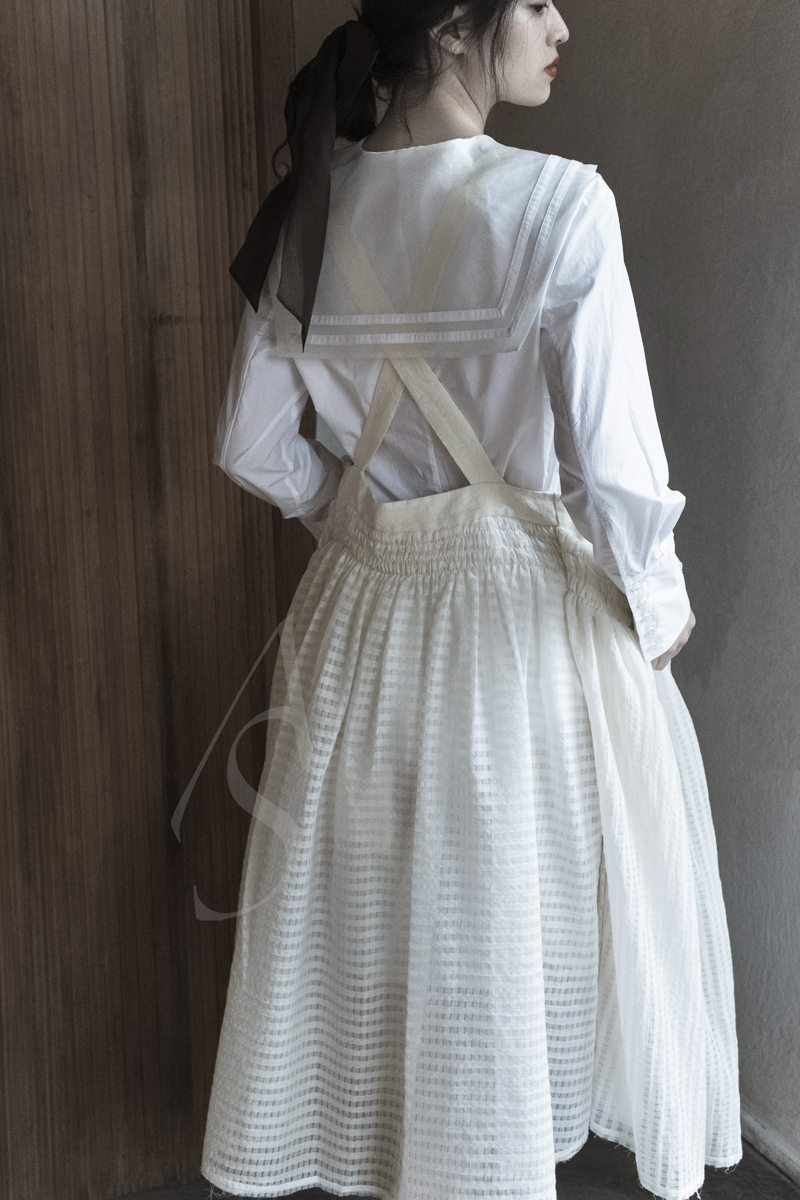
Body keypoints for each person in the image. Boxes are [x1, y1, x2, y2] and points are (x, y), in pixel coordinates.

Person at [200, 4, 742, 1199]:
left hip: (360, 626)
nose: (561, 26)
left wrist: (347, 516)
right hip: (517, 639)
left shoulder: (310, 211)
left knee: (380, 934)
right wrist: (656, 602)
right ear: (452, 27)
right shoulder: (556, 204)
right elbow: (614, 470)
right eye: (534, 2)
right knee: (503, 940)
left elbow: (246, 442)